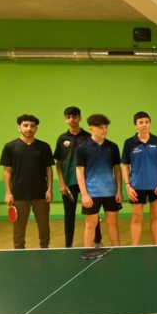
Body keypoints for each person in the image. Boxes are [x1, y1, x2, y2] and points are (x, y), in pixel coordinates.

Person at [0, 114, 54, 249]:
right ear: (19, 127)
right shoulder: (10, 147)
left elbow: (48, 169)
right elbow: (7, 171)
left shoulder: (44, 147)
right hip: (19, 194)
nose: (29, 128)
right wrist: (8, 193)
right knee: (19, 229)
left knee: (44, 227)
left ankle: (45, 249)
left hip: (41, 194)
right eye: (25, 125)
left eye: (32, 126)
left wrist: (49, 189)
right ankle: (19, 252)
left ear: (36, 128)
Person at [53, 106, 100, 248]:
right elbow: (58, 164)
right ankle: (68, 245)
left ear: (80, 118)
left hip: (88, 183)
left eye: (74, 116)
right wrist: (62, 183)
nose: (72, 119)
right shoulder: (62, 139)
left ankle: (97, 241)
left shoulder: (89, 137)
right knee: (69, 214)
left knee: (93, 214)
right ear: (65, 119)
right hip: (69, 183)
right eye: (68, 117)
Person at [75, 114, 123, 247]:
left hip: (111, 192)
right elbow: (79, 172)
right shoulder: (82, 148)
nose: (104, 130)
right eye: (101, 127)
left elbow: (117, 169)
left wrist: (119, 190)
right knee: (90, 224)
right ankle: (88, 251)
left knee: (113, 223)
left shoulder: (113, 146)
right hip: (92, 193)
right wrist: (84, 194)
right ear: (91, 128)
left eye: (106, 127)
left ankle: (117, 250)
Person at [122, 111, 157, 245]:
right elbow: (125, 165)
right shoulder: (129, 143)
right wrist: (127, 185)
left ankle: (156, 245)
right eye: (141, 122)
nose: (144, 125)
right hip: (137, 186)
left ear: (150, 124)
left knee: (156, 216)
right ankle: (135, 247)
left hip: (156, 185)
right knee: (137, 217)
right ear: (135, 125)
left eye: (147, 122)